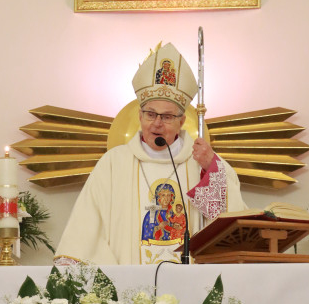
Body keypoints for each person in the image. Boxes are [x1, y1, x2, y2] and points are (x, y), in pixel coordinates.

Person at [56, 42, 246, 266]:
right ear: (140, 116)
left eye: (167, 117)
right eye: (150, 114)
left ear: (181, 122)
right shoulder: (114, 163)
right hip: (127, 279)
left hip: (191, 279)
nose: (157, 123)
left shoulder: (201, 162)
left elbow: (226, 225)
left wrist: (210, 169)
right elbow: (87, 225)